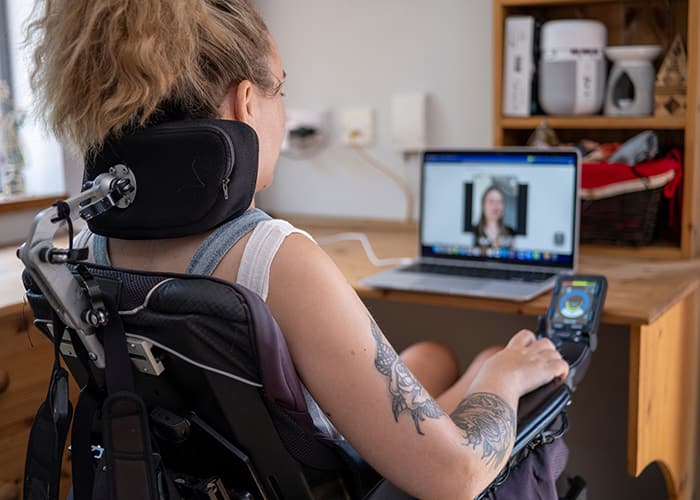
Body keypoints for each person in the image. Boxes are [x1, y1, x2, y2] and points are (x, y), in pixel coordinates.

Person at [27, 1, 568, 498]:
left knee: (433, 356)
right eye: (279, 91)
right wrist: (506, 374)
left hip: (217, 472)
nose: (283, 110)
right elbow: (458, 477)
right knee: (487, 360)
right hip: (331, 478)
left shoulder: (95, 245)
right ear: (245, 104)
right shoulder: (274, 258)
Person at [474, 186, 516, 250]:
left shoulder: (512, 232)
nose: (496, 206)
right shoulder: (473, 232)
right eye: (491, 201)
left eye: (499, 201)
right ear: (483, 205)